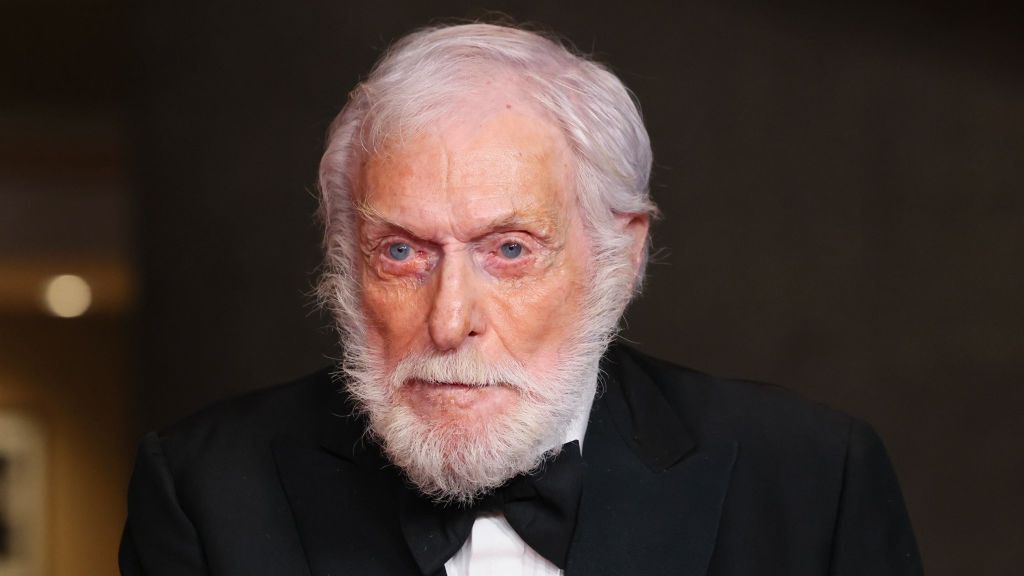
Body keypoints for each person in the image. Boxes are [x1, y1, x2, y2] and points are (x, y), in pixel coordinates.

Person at [119, 23, 922, 576]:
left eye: (509, 250)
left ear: (620, 255)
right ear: (343, 263)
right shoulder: (206, 489)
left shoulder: (812, 478)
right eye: (401, 251)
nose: (450, 318)